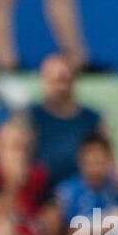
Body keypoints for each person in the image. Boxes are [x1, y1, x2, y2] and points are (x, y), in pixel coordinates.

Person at [25, 53, 103, 186]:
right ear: (44, 80)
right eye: (54, 80)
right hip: (39, 195)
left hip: (81, 198)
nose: (60, 87)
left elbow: (105, 159)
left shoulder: (92, 119)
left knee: (99, 206)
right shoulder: (29, 116)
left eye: (64, 79)